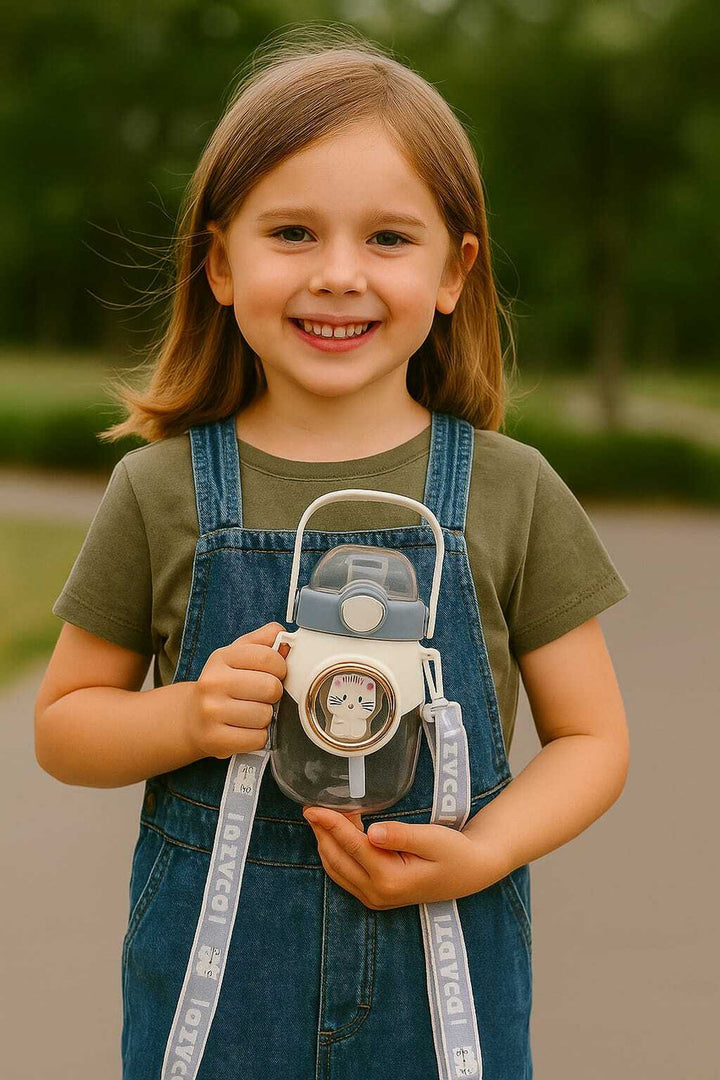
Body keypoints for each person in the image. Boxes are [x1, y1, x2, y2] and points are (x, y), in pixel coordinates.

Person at [34, 26, 631, 1080]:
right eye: (294, 233)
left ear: (456, 271)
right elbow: (64, 727)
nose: (340, 275)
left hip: (442, 963)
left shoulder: (512, 490)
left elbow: (592, 740)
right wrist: (181, 716)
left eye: (390, 240)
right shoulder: (160, 491)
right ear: (221, 264)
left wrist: (485, 850)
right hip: (218, 997)